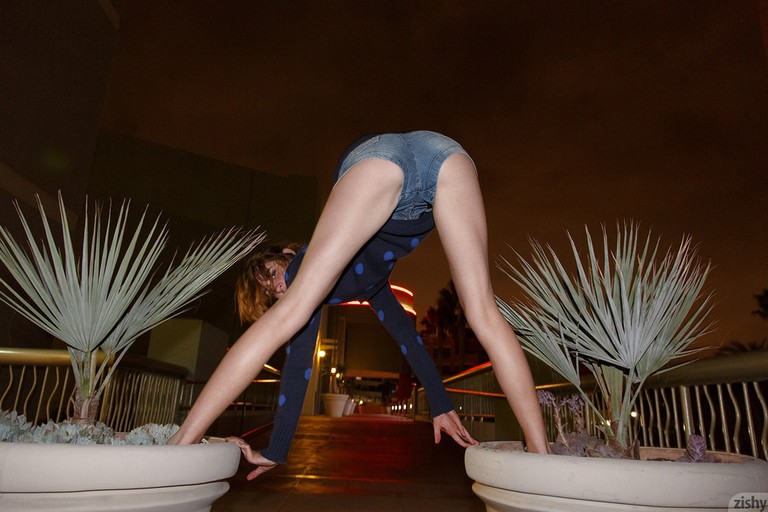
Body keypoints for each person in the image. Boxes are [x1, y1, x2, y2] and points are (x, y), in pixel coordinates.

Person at [168, 131, 549, 479]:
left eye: (272, 273)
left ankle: (181, 443)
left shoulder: (303, 268)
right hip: (445, 155)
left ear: (288, 253)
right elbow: (407, 338)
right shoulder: (373, 286)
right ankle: (542, 456)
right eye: (269, 289)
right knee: (483, 313)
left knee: (286, 318)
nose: (277, 285)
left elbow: (296, 363)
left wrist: (275, 450)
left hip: (377, 162)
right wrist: (439, 401)